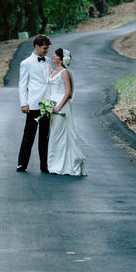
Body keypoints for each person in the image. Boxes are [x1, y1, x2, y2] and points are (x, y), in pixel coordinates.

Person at [45, 47, 87, 176]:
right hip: (51, 104)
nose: (53, 56)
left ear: (61, 59)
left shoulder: (64, 73)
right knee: (53, 134)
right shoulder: (52, 72)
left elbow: (68, 92)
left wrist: (58, 107)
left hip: (61, 106)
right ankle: (54, 164)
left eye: (56, 55)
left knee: (60, 135)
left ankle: (65, 165)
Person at [16, 34, 52, 173]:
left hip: (47, 104)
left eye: (47, 48)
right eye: (44, 48)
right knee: (29, 136)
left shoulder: (48, 61)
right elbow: (22, 85)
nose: (46, 51)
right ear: (37, 46)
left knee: (45, 137)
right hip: (33, 104)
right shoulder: (26, 63)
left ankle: (45, 165)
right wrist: (24, 104)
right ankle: (22, 164)